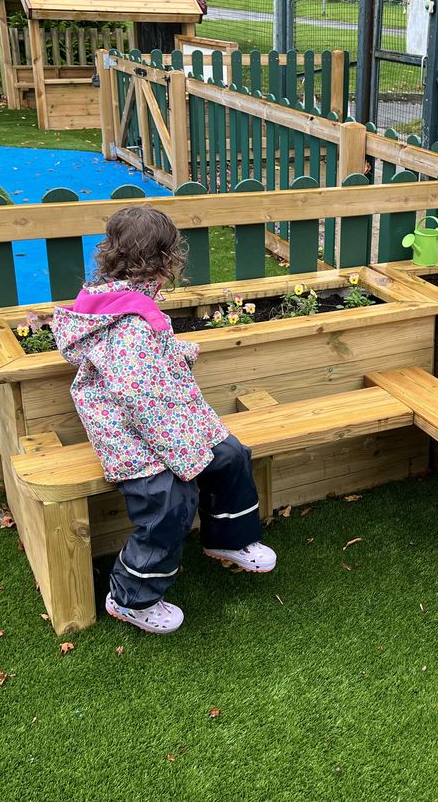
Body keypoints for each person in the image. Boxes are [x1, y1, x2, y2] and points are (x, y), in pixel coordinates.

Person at [52, 205, 276, 635]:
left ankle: (227, 539)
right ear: (166, 258)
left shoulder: (126, 298)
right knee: (171, 501)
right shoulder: (128, 322)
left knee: (229, 454)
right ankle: (130, 596)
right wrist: (182, 455)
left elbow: (141, 371)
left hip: (166, 415)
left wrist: (177, 355)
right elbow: (137, 397)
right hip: (128, 433)